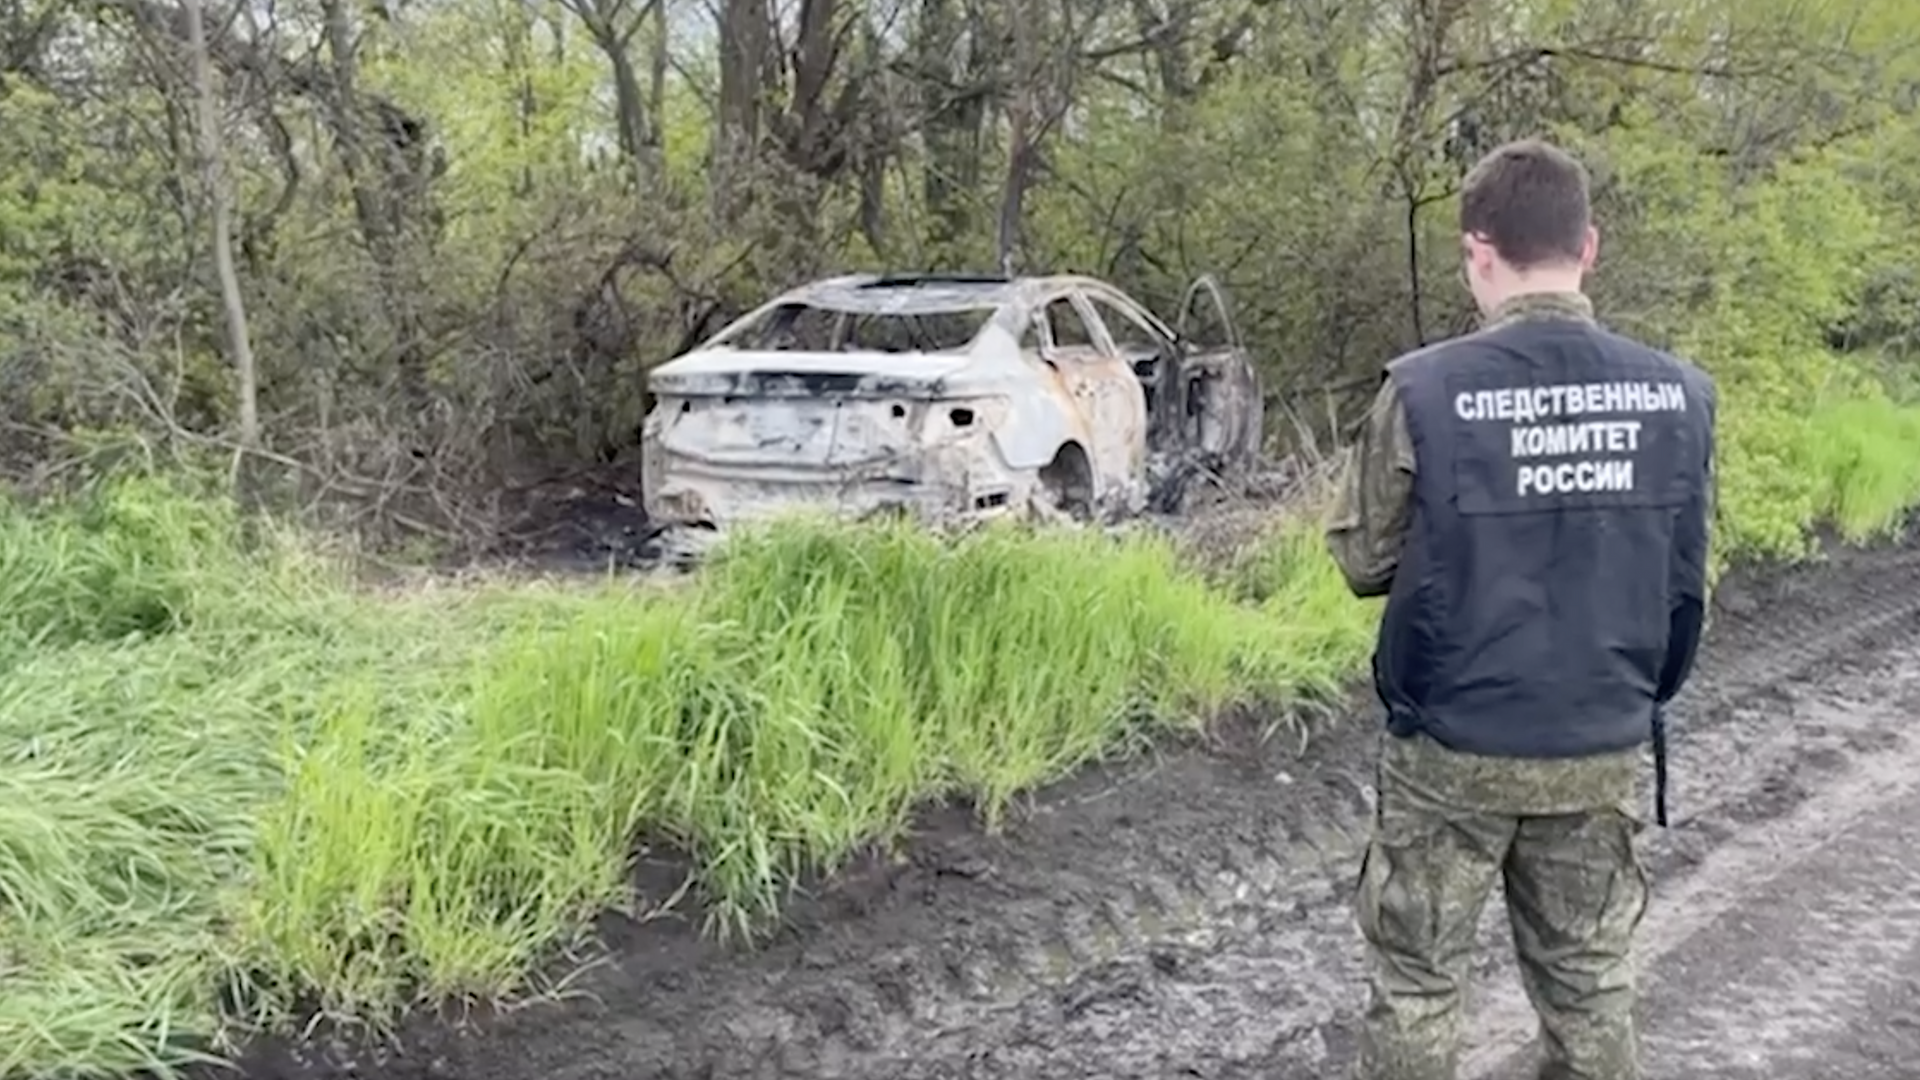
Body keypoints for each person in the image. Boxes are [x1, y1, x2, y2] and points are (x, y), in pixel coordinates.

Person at [1324, 138, 1717, 1080]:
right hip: (1599, 743)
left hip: (1450, 750)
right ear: (1590, 247)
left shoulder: (1422, 388)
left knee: (1418, 988)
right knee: (1589, 989)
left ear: (1476, 252)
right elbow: (1684, 585)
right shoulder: (1680, 396)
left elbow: (1362, 561)